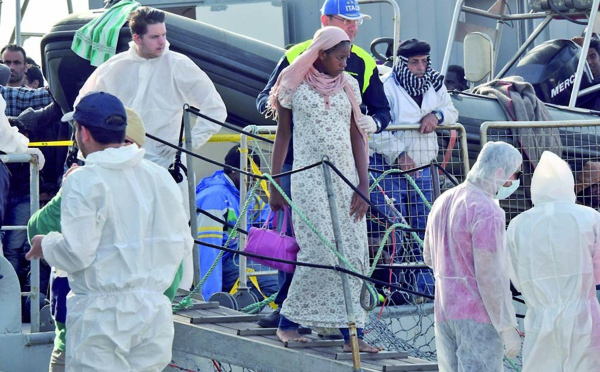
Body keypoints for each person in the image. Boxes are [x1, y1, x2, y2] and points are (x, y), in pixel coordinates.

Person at [25, 91, 193, 371]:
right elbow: (180, 243)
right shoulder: (160, 177)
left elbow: (76, 255)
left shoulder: (85, 180)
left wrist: (47, 243)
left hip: (101, 318)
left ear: (85, 133)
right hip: (153, 314)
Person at [256, 0, 391, 328]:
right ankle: (289, 314)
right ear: (325, 23)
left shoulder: (358, 69)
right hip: (301, 171)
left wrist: (364, 175)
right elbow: (272, 113)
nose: (352, 27)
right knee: (311, 248)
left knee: (353, 251)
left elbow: (378, 114)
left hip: (346, 175)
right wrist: (275, 181)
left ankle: (346, 326)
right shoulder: (293, 63)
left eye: (355, 21)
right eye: (345, 20)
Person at [77, 6, 227, 289]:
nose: (162, 42)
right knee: (121, 230)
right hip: (118, 166)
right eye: (155, 36)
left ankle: (179, 294)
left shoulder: (179, 65)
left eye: (164, 34)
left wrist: (183, 147)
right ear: (137, 37)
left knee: (174, 231)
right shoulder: (114, 67)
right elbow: (82, 107)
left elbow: (215, 109)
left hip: (165, 166)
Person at [370, 39, 458, 297]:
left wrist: (437, 116)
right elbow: (373, 128)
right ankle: (393, 290)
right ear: (402, 63)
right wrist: (399, 154)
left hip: (424, 168)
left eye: (424, 62)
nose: (420, 67)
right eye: (414, 62)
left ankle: (426, 288)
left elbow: (452, 111)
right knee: (392, 229)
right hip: (389, 171)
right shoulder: (386, 88)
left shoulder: (435, 84)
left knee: (426, 228)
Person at [423, 141, 522, 371]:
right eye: (515, 174)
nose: (514, 182)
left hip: (445, 311)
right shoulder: (487, 211)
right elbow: (491, 277)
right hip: (478, 315)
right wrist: (507, 327)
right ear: (499, 172)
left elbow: (429, 257)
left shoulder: (442, 201)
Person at [506, 151, 600, 371]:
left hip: (539, 315)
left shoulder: (518, 224)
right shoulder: (589, 217)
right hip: (583, 315)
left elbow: (514, 274)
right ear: (568, 183)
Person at [195, 145, 278, 300]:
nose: (255, 178)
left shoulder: (245, 195)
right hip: (223, 261)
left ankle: (245, 304)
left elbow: (267, 218)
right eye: (251, 171)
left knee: (279, 274)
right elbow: (207, 250)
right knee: (275, 283)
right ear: (234, 169)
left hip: (237, 256)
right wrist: (209, 298)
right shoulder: (216, 197)